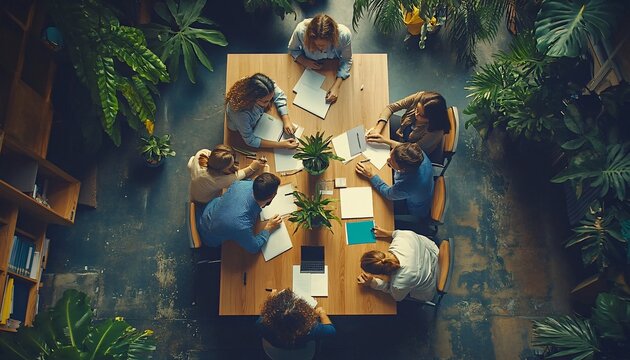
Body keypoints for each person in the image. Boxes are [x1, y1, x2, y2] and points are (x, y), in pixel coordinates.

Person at [198, 172, 282, 253]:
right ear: (271, 197)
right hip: (208, 233)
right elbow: (254, 247)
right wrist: (268, 227)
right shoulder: (241, 225)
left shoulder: (240, 184)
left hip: (210, 209)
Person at [357, 226, 439, 301]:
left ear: (380, 273)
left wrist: (372, 282)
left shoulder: (399, 283)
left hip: (434, 281)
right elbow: (398, 233)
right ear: (380, 252)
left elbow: (396, 296)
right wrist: (386, 233)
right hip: (436, 253)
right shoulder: (402, 239)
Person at [366, 91, 450, 162]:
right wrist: (378, 129)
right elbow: (391, 108)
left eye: (421, 115)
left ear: (432, 118)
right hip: (403, 133)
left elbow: (412, 151)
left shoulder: (435, 132)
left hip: (414, 153)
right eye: (416, 109)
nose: (416, 114)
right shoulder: (420, 97)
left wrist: (385, 141)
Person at [355, 142, 433, 218]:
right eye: (390, 155)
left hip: (415, 208)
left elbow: (388, 193)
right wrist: (384, 140)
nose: (388, 160)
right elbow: (401, 148)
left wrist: (371, 175)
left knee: (379, 209)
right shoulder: (416, 154)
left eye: (391, 161)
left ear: (403, 170)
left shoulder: (408, 185)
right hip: (424, 190)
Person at [288, 14, 352, 104]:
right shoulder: (300, 31)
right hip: (308, 71)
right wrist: (304, 61)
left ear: (332, 39)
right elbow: (292, 49)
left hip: (331, 67)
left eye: (324, 45)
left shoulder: (344, 35)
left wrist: (336, 86)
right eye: (316, 44)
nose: (321, 49)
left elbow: (346, 60)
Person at [225, 73, 298, 149]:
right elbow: (250, 140)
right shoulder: (241, 115)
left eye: (271, 98)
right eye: (265, 101)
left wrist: (286, 119)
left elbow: (279, 95)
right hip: (240, 127)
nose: (268, 104)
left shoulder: (263, 85)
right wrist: (281, 145)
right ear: (252, 98)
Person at [257, 288, 336, 349]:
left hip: (277, 348)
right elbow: (331, 331)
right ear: (304, 317)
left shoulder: (261, 324)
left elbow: (264, 314)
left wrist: (272, 301)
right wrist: (322, 314)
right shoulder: (312, 329)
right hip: (303, 351)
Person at [187, 145, 268, 204]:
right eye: (230, 166)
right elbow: (241, 175)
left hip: (195, 186)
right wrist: (252, 167)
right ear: (221, 169)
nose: (234, 166)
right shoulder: (217, 180)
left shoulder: (202, 153)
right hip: (203, 199)